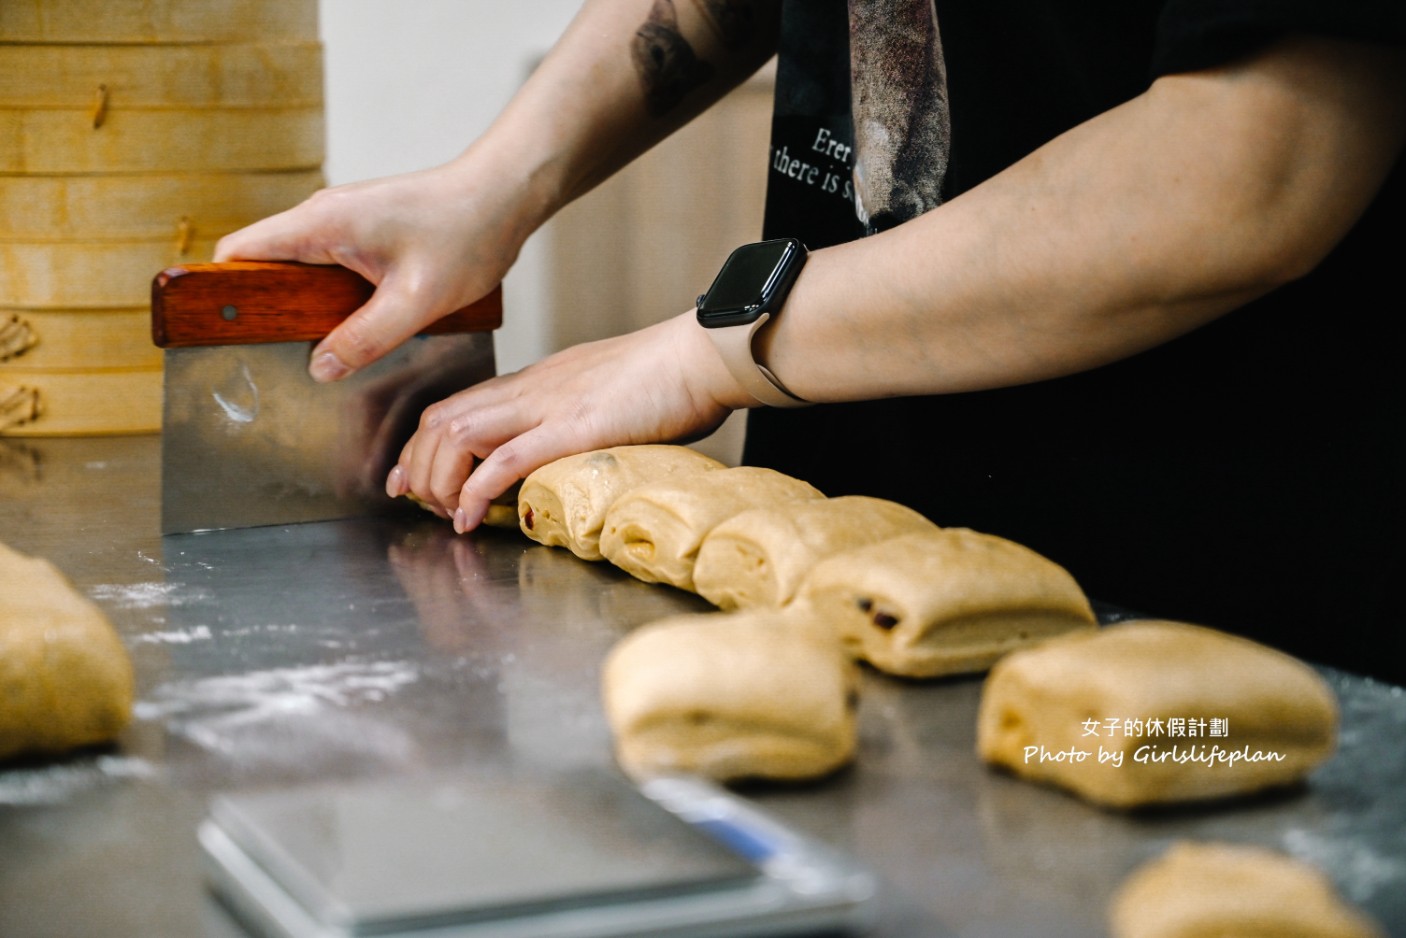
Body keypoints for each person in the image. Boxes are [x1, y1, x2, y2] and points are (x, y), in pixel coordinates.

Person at [216, 0, 1406, 682]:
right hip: (856, 586)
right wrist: (491, 184)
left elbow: (1252, 165)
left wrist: (709, 348)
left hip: (1230, 632)